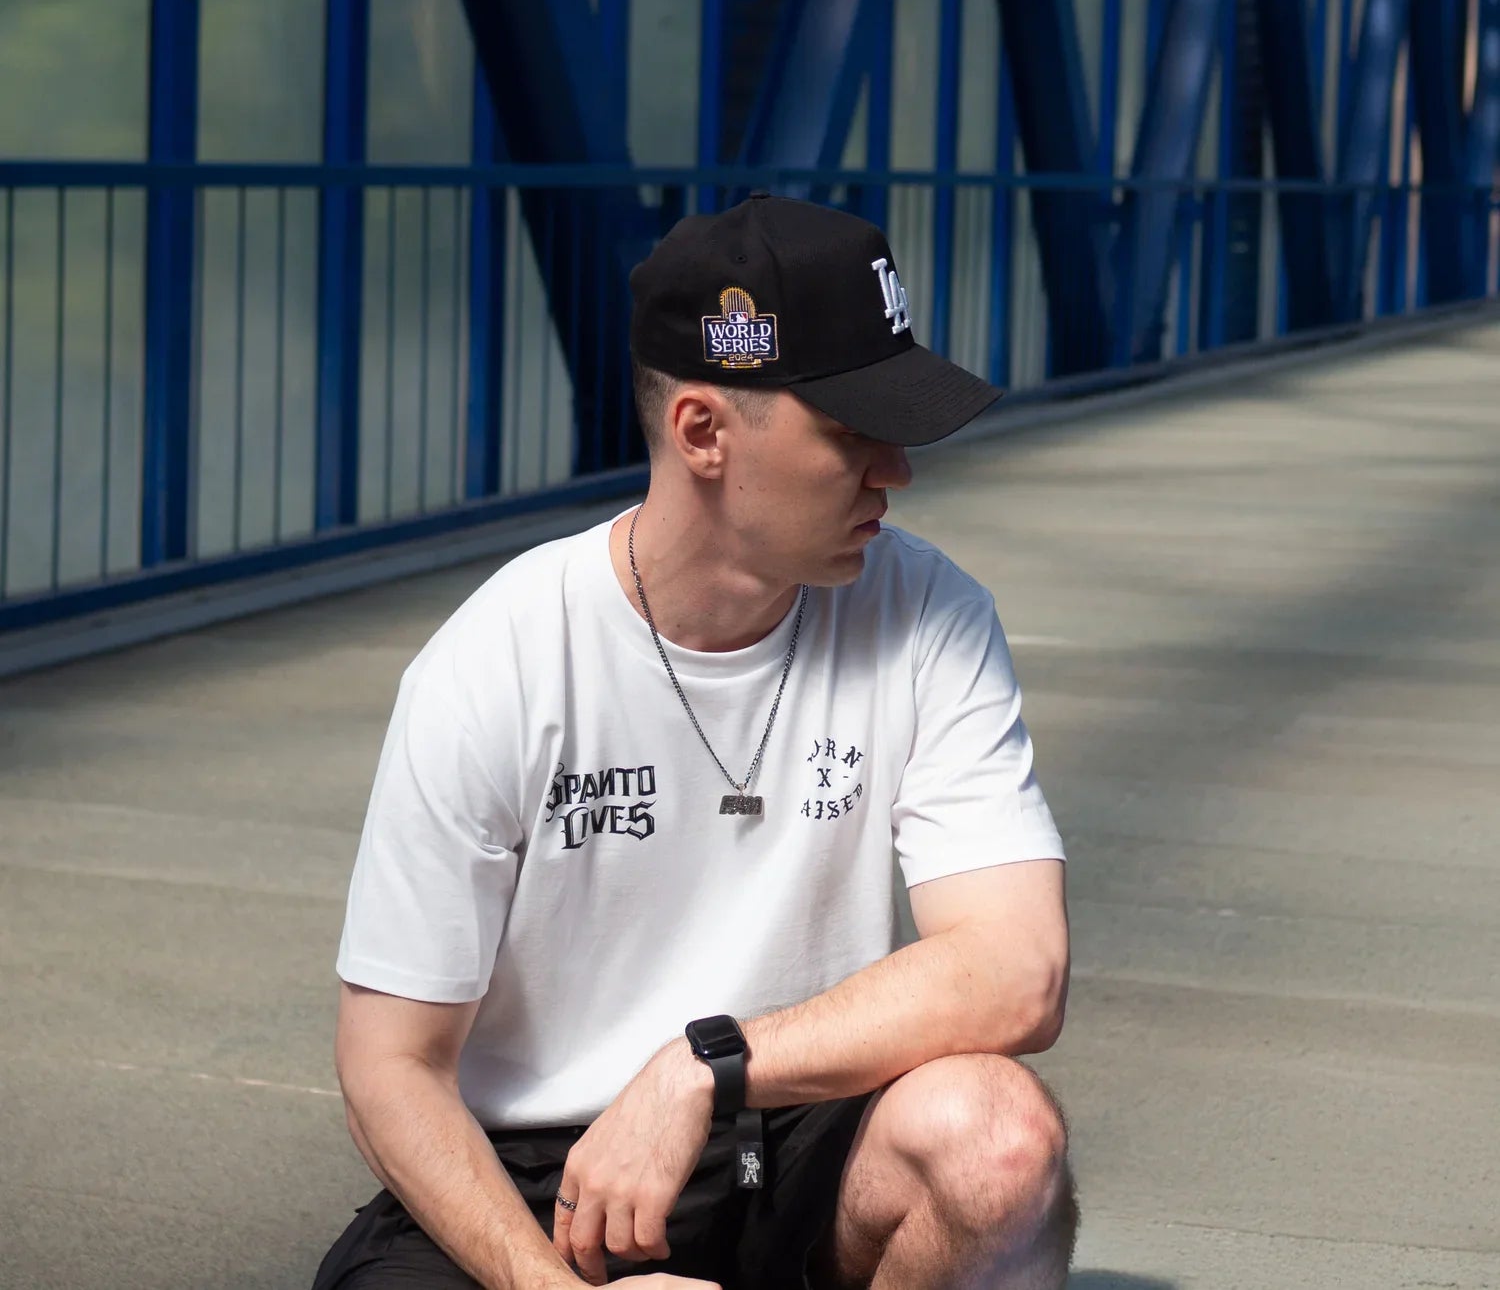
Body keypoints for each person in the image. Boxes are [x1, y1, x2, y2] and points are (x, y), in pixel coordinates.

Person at [313, 193, 1076, 1290]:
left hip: (791, 1128)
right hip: (540, 1176)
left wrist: (706, 1065)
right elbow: (390, 1066)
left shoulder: (929, 613)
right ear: (702, 433)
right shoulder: (499, 659)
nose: (897, 471)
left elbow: (1018, 972)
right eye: (852, 432)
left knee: (994, 1139)